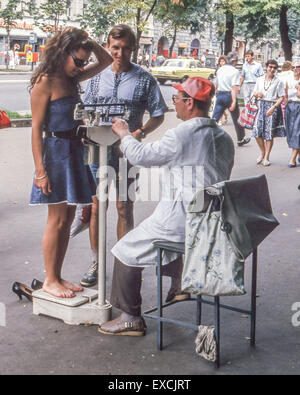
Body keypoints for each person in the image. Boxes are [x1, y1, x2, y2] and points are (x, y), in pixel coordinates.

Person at [98, 77, 235, 336]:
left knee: (124, 250)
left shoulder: (182, 134)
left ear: (190, 103)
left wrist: (124, 134)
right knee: (159, 236)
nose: (175, 104)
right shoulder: (223, 137)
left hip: (183, 219)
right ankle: (180, 283)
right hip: (215, 221)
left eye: (177, 99)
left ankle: (130, 317)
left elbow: (141, 156)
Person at [78, 24, 168, 287]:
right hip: (96, 150)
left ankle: (123, 263)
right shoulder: (96, 77)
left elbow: (159, 114)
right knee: (97, 206)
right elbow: (85, 109)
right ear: (108, 46)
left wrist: (139, 132)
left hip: (127, 153)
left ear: (134, 48)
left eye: (125, 48)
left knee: (123, 207)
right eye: (115, 47)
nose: (120, 53)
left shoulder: (144, 78)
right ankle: (97, 261)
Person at [29, 27, 113, 298]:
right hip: (55, 151)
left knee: (66, 219)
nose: (81, 66)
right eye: (77, 60)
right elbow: (36, 129)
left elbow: (106, 61)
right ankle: (49, 280)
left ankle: (58, 275)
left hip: (74, 149)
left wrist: (88, 40)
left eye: (82, 61)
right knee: (55, 220)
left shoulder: (73, 75)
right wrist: (40, 173)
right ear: (62, 53)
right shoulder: (46, 81)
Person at [212, 51, 250, 147]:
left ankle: (209, 136)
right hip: (229, 95)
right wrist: (233, 101)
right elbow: (234, 87)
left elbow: (215, 84)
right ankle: (240, 139)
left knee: (215, 118)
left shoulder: (220, 70)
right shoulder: (235, 71)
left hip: (220, 95)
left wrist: (213, 95)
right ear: (235, 61)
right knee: (237, 118)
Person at [252, 59, 285, 166]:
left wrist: (274, 107)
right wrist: (257, 94)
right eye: (270, 67)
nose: (272, 69)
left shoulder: (278, 81)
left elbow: (281, 97)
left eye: (274, 68)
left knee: (269, 133)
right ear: (266, 67)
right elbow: (254, 92)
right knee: (257, 131)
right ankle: (262, 152)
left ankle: (267, 156)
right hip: (261, 106)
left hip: (272, 106)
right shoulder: (259, 79)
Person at [284, 61, 300, 167]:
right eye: (293, 67)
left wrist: (298, 89)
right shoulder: (288, 80)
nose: (295, 69)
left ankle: (292, 159)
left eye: (298, 67)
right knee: (290, 131)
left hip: (299, 106)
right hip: (289, 107)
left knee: (297, 132)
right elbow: (285, 95)